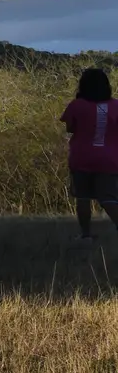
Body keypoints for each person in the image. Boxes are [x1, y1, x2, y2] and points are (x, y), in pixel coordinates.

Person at [62, 67, 118, 242]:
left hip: (81, 156)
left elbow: (70, 128)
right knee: (108, 197)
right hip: (109, 158)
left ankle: (86, 234)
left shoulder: (76, 105)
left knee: (83, 196)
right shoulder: (116, 105)